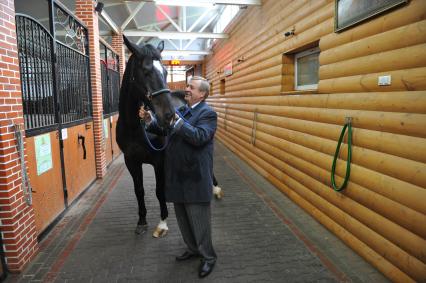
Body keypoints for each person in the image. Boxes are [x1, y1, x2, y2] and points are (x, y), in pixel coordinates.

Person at [139, 76, 218, 278]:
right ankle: (192, 249)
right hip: (177, 176)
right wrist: (150, 121)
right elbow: (165, 128)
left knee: (199, 223)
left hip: (195, 177)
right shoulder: (182, 110)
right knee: (183, 220)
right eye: (187, 86)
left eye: (192, 87)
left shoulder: (208, 114)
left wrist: (177, 122)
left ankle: (208, 257)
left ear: (203, 93)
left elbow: (200, 137)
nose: (187, 89)